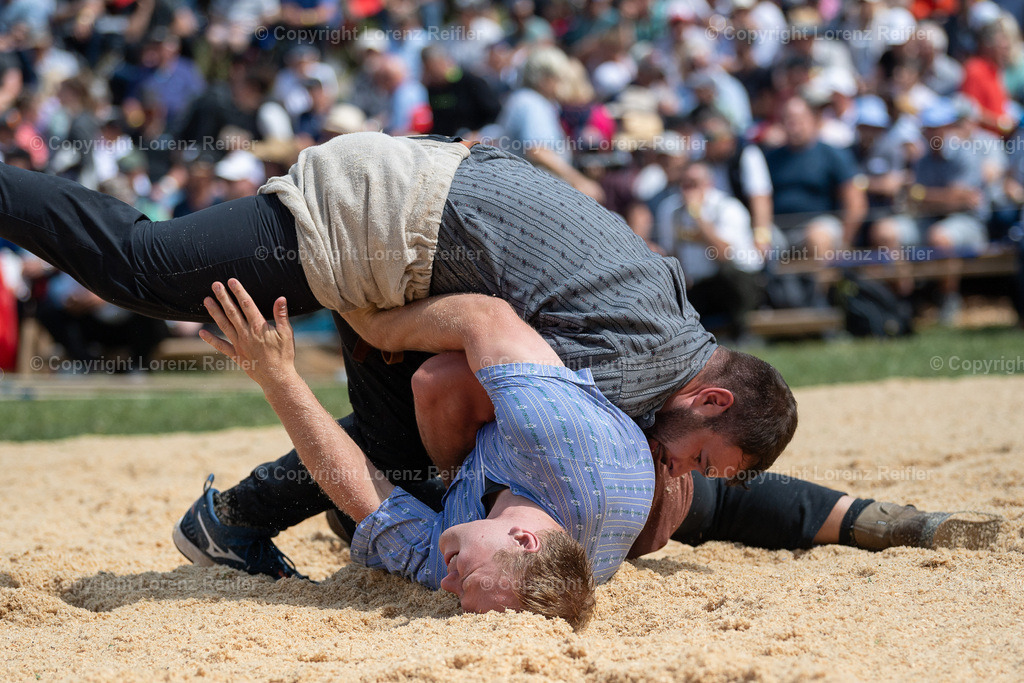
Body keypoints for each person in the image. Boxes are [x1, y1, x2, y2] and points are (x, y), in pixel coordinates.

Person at [180, 279, 654, 628]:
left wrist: (276, 375)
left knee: (370, 502)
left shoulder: (494, 572)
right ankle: (238, 515)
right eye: (463, 580)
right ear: (524, 540)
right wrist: (373, 326)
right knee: (410, 416)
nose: (445, 587)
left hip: (482, 453)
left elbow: (361, 488)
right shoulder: (561, 442)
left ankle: (230, 521)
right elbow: (482, 321)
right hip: (504, 294)